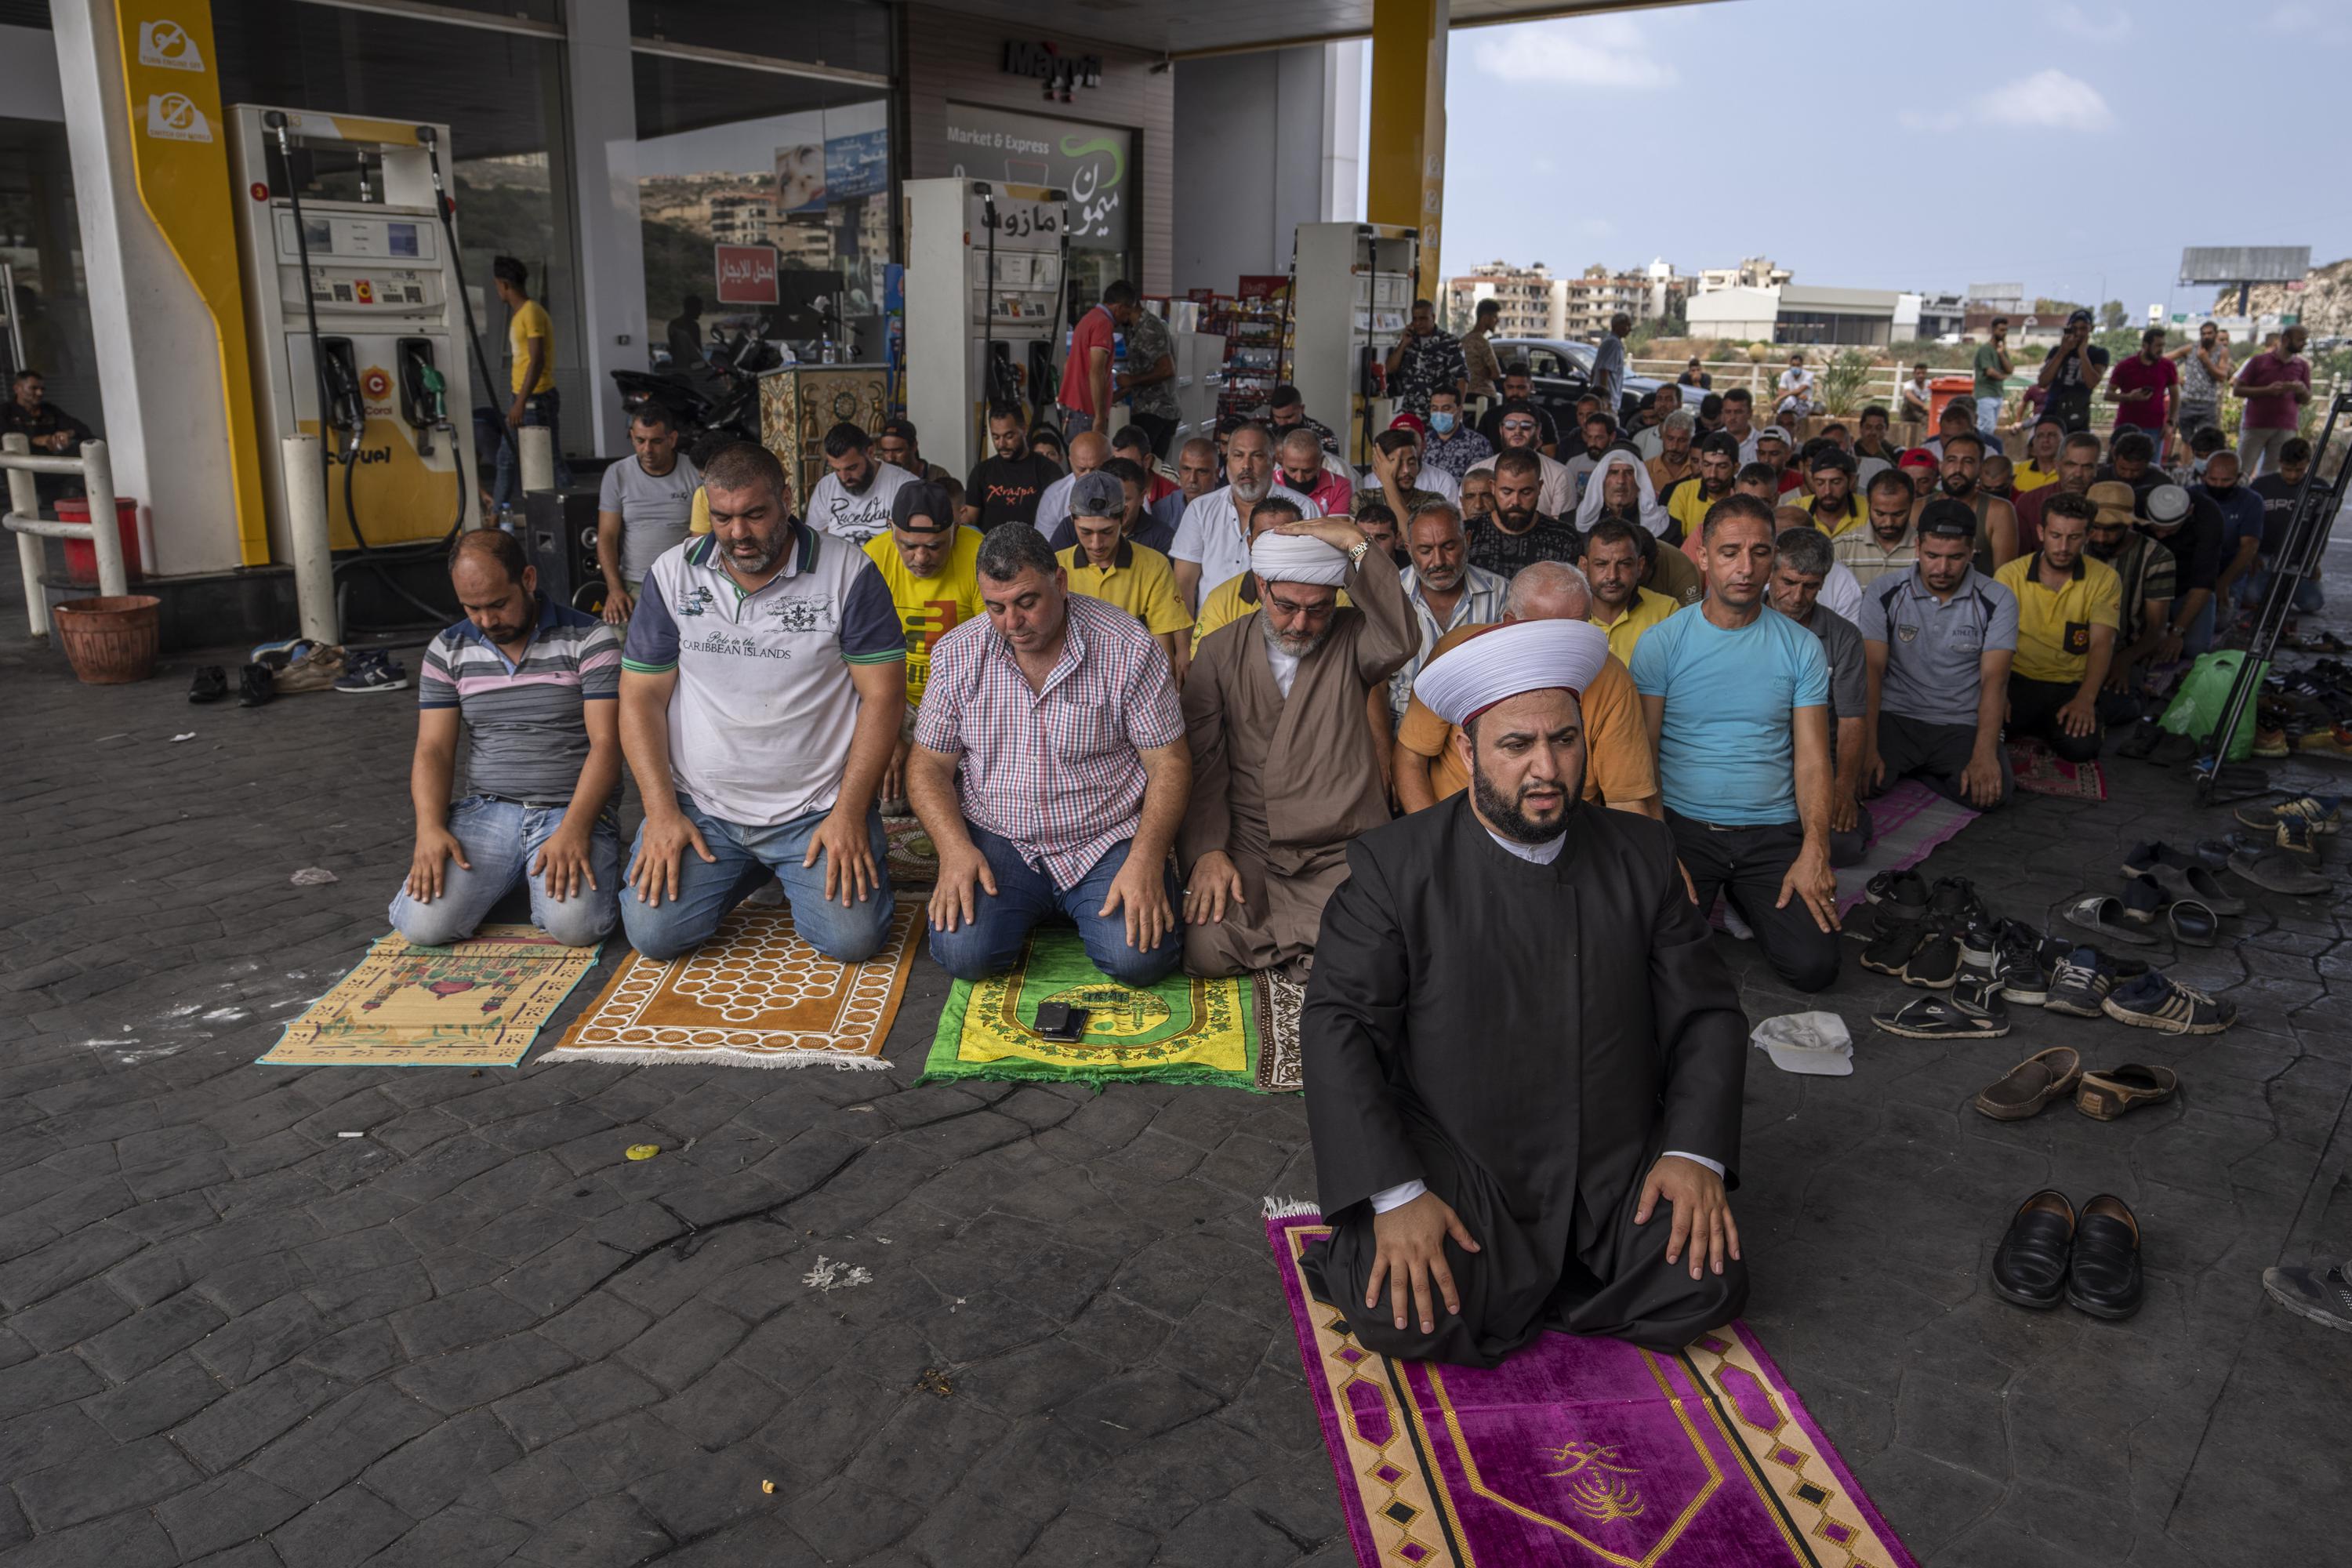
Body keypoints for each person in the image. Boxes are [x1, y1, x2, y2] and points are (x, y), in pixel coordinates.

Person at [1300, 614, 1750, 1363]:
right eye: (1517, 745)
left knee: (1704, 1282)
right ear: (1466, 749)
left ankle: (1549, 1283)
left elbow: (1706, 1014)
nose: (1547, 768)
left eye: (1564, 740)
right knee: (1403, 1313)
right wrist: (1397, 1194)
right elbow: (1338, 1027)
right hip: (1465, 1155)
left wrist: (1692, 1154)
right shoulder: (1395, 868)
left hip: (1613, 1155)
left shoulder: (1642, 853)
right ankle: (1532, 1278)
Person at [618, 442, 904, 964]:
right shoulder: (673, 573)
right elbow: (640, 698)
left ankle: (782, 866)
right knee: (654, 935)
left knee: (852, 940)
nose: (738, 533)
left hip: (816, 808)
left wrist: (848, 813)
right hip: (705, 808)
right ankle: (752, 868)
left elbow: (882, 697)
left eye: (754, 514)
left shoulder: (848, 571)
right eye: (722, 518)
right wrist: (660, 813)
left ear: (786, 500)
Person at [909, 524, 1189, 985]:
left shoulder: (1127, 646)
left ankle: (1071, 903)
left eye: (1027, 602)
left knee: (1139, 959)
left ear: (1060, 582)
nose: (1012, 623)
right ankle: (1039, 903)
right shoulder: (957, 654)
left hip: (1104, 838)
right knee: (965, 953)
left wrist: (1146, 859)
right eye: (996, 608)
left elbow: (1169, 763)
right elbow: (928, 766)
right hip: (1001, 836)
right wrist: (954, 849)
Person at [1181, 514, 1411, 979]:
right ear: (1261, 586)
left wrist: (1356, 541)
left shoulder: (1354, 637)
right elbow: (1203, 764)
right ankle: (1315, 946)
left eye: (1319, 608)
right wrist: (1208, 852)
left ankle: (1313, 943)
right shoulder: (1219, 651)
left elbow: (1401, 638)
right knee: (1208, 945)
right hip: (1253, 844)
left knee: (1377, 945)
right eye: (1287, 606)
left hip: (1339, 846)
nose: (1301, 623)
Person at [1632, 493, 1840, 993]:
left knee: (1814, 968)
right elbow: (1642, 756)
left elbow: (1813, 760)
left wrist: (1816, 848)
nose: (1746, 568)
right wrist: (1660, 850)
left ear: (1774, 559)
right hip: (1685, 828)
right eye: (1730, 552)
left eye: (1760, 552)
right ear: (1703, 557)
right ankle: (1728, 896)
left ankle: (1748, 896)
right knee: (1651, 963)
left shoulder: (1801, 647)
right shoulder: (1663, 643)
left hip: (1772, 831)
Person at [390, 530, 622, 949]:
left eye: (498, 604)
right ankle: (518, 875)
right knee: (423, 927)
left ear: (528, 579)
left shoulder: (589, 639)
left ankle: (529, 877)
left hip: (570, 810)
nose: (487, 621)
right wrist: (429, 828)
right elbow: (433, 750)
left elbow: (608, 744)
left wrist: (575, 829)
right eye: (472, 608)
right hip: (488, 811)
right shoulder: (447, 649)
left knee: (577, 927)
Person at [1394, 561, 1658, 818]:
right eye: (1549, 634)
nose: (1567, 648)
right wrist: (1434, 838)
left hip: (1563, 829)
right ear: (1510, 622)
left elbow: (1626, 799)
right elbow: (1410, 758)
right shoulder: (1460, 654)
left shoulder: (1610, 677)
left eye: (1578, 631)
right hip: (1462, 823)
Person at [1855, 500, 2016, 809]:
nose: (1942, 568)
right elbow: (1872, 670)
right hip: (1896, 717)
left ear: (1971, 552)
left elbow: (1995, 680)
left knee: (1992, 794)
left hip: (1960, 722)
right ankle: (1926, 769)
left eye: (1955, 557)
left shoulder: (1999, 598)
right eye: (1932, 556)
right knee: (1861, 781)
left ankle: (1920, 770)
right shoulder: (1884, 591)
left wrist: (1984, 754)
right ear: (1917, 547)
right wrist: (1868, 746)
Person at [864, 481, 985, 809]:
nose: (920, 558)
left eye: (934, 546)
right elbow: (857, 661)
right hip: (894, 701)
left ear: (956, 530)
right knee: (886, 803)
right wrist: (888, 737)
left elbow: (992, 650)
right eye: (908, 546)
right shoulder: (872, 558)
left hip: (962, 700)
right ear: (891, 530)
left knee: (965, 804)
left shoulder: (980, 554)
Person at [1768, 528, 1871, 866]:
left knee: (1842, 846)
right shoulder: (1740, 618)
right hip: (1756, 757)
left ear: (1824, 582)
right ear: (1770, 572)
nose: (1797, 597)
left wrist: (1843, 789)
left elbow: (1852, 721)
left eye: (1810, 586)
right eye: (1788, 582)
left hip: (1818, 761)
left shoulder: (1844, 637)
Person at [1997, 495, 2121, 762]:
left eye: (2074, 537)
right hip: (2017, 678)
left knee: (2082, 749)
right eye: (2055, 536)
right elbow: (1994, 641)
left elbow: (2102, 643)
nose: (2063, 547)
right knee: (1982, 728)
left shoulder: (2105, 578)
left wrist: (2086, 698)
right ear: (2041, 532)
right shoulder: (2010, 575)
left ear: (2088, 535)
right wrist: (1997, 691)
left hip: (2069, 684)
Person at [1058, 471, 1193, 681]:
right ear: (1072, 519)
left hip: (1133, 679)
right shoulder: (1056, 567)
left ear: (1124, 516)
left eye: (1107, 532)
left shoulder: (1154, 566)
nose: (1096, 544)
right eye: (1086, 532)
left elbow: (1161, 648)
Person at [1169, 422, 1319, 611]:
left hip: (1274, 625)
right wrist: (1190, 631)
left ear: (1273, 461)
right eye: (1238, 455)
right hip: (1210, 626)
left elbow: (1312, 580)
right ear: (1227, 460)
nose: (1246, 465)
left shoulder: (1304, 509)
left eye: (1257, 456)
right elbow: (1184, 585)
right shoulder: (1200, 509)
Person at [1388, 500, 1508, 720]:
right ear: (1409, 550)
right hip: (1404, 725)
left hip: (1478, 724)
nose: (1438, 561)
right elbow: (1374, 684)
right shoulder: (1387, 595)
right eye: (1425, 550)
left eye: (1449, 547)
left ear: (1467, 540)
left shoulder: (1501, 593)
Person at [595, 407, 702, 624]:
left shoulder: (694, 472)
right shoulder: (617, 473)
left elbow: (702, 536)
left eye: (656, 441)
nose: (647, 449)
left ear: (672, 439)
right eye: (640, 441)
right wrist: (615, 590)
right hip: (633, 583)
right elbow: (606, 536)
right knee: (617, 640)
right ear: (632, 437)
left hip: (682, 582)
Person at [2083, 485, 2176, 714]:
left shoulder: (2157, 557)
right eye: (2094, 528)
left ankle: (2140, 691)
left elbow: (2156, 630)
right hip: (2073, 648)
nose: (2101, 538)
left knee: (2112, 707)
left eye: (2112, 529)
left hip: (2124, 650)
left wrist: (2124, 660)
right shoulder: (2076, 545)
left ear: (2128, 524)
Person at [491, 256, 568, 511]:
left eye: (496, 285)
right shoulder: (521, 314)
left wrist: (521, 403)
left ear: (504, 284)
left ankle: (577, 508)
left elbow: (537, 359)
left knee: (551, 460)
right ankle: (497, 514)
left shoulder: (531, 312)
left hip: (536, 398)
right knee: (506, 457)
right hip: (523, 397)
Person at [1464, 448, 1581, 576]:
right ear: (1493, 487)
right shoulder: (1467, 534)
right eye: (1507, 492)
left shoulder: (1564, 539)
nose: (1516, 501)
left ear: (1539, 487)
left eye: (1526, 492)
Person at [2140, 482, 2223, 659]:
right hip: (2144, 589)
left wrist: (2177, 632)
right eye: (2155, 529)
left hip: (2186, 587)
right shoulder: (2137, 502)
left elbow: (2203, 582)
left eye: (2169, 531)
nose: (2160, 536)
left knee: (2194, 648)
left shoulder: (2208, 515)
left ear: (2189, 512)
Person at [1583, 519, 1680, 666]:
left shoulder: (1667, 612)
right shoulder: (1567, 614)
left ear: (1640, 566)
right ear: (1584, 566)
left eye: (1624, 564)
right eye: (1601, 564)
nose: (1612, 576)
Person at [2244, 437, 2322, 617]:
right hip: (2264, 556)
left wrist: (2314, 560)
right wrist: (2251, 554)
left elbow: (2320, 530)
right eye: (2288, 469)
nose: (2293, 476)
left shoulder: (2320, 488)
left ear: (2308, 464)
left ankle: (2282, 590)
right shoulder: (2260, 485)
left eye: (2299, 470)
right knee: (2250, 596)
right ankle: (2276, 590)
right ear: (2279, 462)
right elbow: (2248, 522)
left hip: (2299, 559)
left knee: (2313, 603)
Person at [805, 420, 916, 544]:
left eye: (851, 468)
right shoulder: (826, 487)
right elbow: (814, 540)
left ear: (870, 452)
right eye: (837, 470)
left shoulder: (905, 486)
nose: (844, 478)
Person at [964, 403, 1062, 528]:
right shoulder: (981, 472)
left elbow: (1058, 519)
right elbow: (970, 521)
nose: (1001, 444)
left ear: (1024, 430)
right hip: (990, 540)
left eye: (1009, 436)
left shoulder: (1048, 470)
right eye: (996, 437)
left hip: (1035, 540)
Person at [1467, 401, 1574, 515]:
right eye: (1510, 425)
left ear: (1538, 430)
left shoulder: (1559, 474)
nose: (1517, 431)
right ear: (1501, 430)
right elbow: (1465, 516)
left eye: (1526, 426)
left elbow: (1562, 523)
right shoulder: (1477, 470)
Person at [1933, 432, 2019, 575]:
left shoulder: (1999, 511)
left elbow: (2004, 577)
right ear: (1941, 466)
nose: (1958, 469)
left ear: (1980, 469)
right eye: (1951, 460)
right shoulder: (1918, 508)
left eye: (1968, 462)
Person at [1059, 278, 1135, 437]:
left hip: (1074, 407)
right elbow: (1096, 371)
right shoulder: (1103, 324)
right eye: (1127, 313)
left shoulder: (1089, 318)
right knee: (1092, 452)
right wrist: (1100, 417)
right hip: (1086, 410)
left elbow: (1069, 365)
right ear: (1120, 307)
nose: (1126, 319)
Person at [2234, 323, 2311, 478]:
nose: (2303, 343)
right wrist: (2267, 390)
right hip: (2256, 425)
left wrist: (2301, 390)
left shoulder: (2302, 366)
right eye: (2300, 340)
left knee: (2273, 474)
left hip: (2286, 426)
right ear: (2286, 339)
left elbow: (2307, 399)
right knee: (2242, 469)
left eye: (2305, 340)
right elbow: (2238, 390)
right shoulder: (2258, 361)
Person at [2197, 451, 2267, 615]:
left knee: (2222, 618)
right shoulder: (2191, 495)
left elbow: (2249, 546)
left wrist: (2224, 583)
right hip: (2195, 570)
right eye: (2213, 479)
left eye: (2226, 480)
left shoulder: (2252, 501)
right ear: (2204, 475)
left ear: (2238, 477)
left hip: (2231, 569)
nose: (2219, 485)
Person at [2015, 430, 2102, 556]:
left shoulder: (2109, 503)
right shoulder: (2029, 502)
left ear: (2097, 469)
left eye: (2087, 467)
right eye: (2071, 465)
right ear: (2057, 465)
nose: (2078, 474)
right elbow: (2020, 557)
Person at [1834, 469, 1926, 586]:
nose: (1888, 523)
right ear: (1868, 503)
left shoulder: (1926, 549)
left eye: (1898, 514)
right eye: (1880, 514)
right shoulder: (1842, 548)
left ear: (1912, 504)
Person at [1116, 299, 1179, 457]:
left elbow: (1166, 370)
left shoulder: (1148, 328)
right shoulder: (1138, 328)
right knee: (1150, 466)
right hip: (1155, 409)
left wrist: (1131, 380)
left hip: (1154, 411)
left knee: (1140, 464)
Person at [1385, 298, 1468, 418]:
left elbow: (1462, 379)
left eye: (1423, 319)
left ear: (1433, 317)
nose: (1418, 323)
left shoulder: (1449, 343)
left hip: (1438, 414)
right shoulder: (1409, 342)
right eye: (1415, 319)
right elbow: (1390, 368)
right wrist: (1403, 344)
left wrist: (1457, 409)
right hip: (1410, 413)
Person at [2106, 327, 2178, 463]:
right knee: (2121, 464)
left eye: (2163, 346)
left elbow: (2175, 395)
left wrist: (2171, 422)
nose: (2161, 350)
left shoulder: (2167, 366)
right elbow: (2108, 394)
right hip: (2126, 426)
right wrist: (2129, 397)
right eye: (2157, 346)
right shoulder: (2125, 366)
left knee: (2152, 467)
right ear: (2145, 345)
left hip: (2155, 428)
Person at [2036, 309, 2110, 434]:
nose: (2078, 333)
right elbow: (2043, 382)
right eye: (2074, 328)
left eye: (2083, 329)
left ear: (2091, 329)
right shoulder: (2056, 351)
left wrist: (2083, 353)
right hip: (2052, 411)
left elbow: (2092, 382)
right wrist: (2062, 352)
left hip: (2078, 416)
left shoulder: (2098, 353)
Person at [1035, 430, 1111, 546]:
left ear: (1111, 461)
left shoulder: (1128, 492)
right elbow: (1045, 549)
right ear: (1071, 461)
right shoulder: (1053, 497)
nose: (1088, 477)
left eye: (1095, 469)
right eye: (1081, 469)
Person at [1661, 432, 1737, 545]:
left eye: (1722, 466)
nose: (1712, 474)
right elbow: (1673, 542)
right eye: (1707, 465)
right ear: (1701, 465)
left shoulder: (1743, 495)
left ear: (1736, 468)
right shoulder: (1684, 491)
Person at [1100, 456, 1176, 555]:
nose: (1115, 507)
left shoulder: (1164, 539)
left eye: (1124, 499)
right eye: (1109, 498)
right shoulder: (1082, 529)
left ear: (1142, 497)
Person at [2171, 321, 2231, 446]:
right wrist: (2175, 379)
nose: (2206, 336)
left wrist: (2206, 360)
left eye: (2209, 333)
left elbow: (2222, 376)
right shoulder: (2191, 349)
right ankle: (2186, 459)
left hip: (2208, 402)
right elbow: (2166, 358)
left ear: (2215, 334)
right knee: (2186, 441)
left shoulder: (2222, 352)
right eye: (2203, 334)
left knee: (2206, 441)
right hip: (2188, 401)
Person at [1475, 367, 1561, 453]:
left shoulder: (1544, 417)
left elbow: (1550, 453)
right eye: (1510, 387)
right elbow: (1478, 449)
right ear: (1505, 386)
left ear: (1531, 387)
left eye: (1521, 388)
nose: (1515, 392)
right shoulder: (1490, 416)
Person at [1275, 425, 1352, 520]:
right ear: (1281, 460)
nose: (1299, 479)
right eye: (1292, 470)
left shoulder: (1339, 486)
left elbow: (1337, 527)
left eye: (1308, 471)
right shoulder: (1269, 484)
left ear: (1321, 462)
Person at [1421, 386, 1494, 479]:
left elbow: (1481, 480)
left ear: (1459, 410)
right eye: (1435, 409)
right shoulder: (1423, 441)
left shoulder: (1478, 443)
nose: (1439, 414)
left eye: (1446, 408)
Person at [1155, 437, 1221, 536]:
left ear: (1216, 474)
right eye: (1186, 469)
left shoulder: (1230, 511)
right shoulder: (1164, 509)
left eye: (1202, 471)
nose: (1192, 479)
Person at [1796, 448, 1865, 536]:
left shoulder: (1868, 510)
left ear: (1851, 480)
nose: (1827, 491)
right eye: (1820, 483)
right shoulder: (1796, 509)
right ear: (1813, 481)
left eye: (1836, 482)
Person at [1268, 383, 1341, 456]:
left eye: (1289, 417)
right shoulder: (1268, 433)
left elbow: (1331, 462)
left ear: (1302, 409)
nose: (1283, 423)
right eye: (1277, 417)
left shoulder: (1323, 434)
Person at [877, 417, 950, 485]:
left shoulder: (938, 476)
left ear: (914, 446)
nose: (890, 458)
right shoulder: (881, 478)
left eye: (898, 451)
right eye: (886, 451)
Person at [1973, 319, 2014, 437]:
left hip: (1997, 394)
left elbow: (2010, 369)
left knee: (1991, 429)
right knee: (1986, 428)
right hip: (1985, 395)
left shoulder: (2001, 350)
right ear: (1994, 330)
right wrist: (2004, 377)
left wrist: (2001, 354)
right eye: (2001, 330)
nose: (2004, 333)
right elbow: (1990, 372)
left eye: (2006, 330)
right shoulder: (1985, 349)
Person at [1461, 297, 1504, 404]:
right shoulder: (1483, 343)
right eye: (1495, 317)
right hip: (1485, 395)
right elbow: (1496, 374)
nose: (1497, 321)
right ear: (1485, 318)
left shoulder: (1463, 340)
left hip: (1464, 395)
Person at [1592, 312, 1632, 414]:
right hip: (1609, 402)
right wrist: (1605, 400)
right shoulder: (1613, 344)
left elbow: (1594, 371)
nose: (1629, 329)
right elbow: (1604, 371)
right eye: (1627, 325)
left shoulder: (1609, 342)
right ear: (1617, 326)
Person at [2012, 418, 2063, 495]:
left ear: (2064, 440)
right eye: (2040, 436)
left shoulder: (2072, 472)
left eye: (2052, 435)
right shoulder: (2016, 471)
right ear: (2034, 442)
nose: (2045, 440)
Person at [664, 295, 706, 376]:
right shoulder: (677, 325)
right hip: (685, 369)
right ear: (691, 308)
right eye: (699, 308)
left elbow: (698, 351)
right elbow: (690, 351)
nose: (701, 312)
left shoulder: (693, 326)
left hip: (688, 368)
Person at [1719, 387, 1759, 464]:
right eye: (1728, 412)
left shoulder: (1760, 443)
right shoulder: (1714, 439)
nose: (1732, 417)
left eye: (1738, 412)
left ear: (1750, 413)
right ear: (1722, 413)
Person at [1776, 351, 1817, 423]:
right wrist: (1797, 395)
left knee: (1791, 402)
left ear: (1802, 365)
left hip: (1804, 404)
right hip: (1790, 403)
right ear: (1790, 365)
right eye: (1793, 365)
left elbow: (1799, 390)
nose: (1795, 367)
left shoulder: (1809, 375)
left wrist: (1779, 398)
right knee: (1790, 400)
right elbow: (1780, 392)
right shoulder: (1785, 374)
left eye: (1798, 365)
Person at [1898, 362, 1933, 426]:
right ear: (1914, 374)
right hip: (1910, 414)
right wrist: (1924, 406)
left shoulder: (1930, 384)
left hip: (1926, 411)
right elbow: (1909, 395)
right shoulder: (1909, 384)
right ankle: (1924, 419)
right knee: (1908, 399)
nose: (1921, 376)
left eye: (1923, 373)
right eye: (1918, 373)